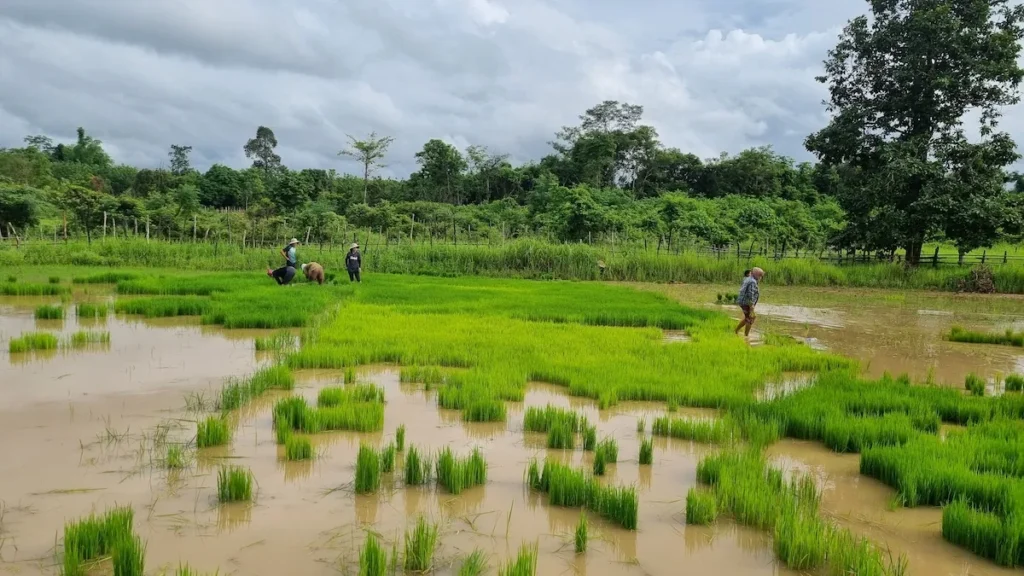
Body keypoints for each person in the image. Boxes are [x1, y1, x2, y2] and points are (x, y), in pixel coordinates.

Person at [734, 267, 763, 337]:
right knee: (751, 318)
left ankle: (736, 331)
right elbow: (750, 294)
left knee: (748, 317)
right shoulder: (752, 282)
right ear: (756, 275)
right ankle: (746, 336)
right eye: (760, 275)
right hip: (746, 302)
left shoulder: (749, 279)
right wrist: (751, 305)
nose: (761, 277)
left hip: (743, 301)